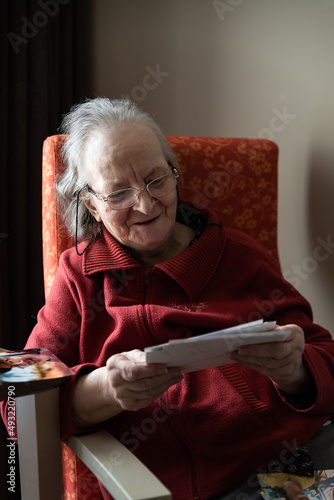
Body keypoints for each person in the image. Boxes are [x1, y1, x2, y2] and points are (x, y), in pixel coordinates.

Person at [2, 97, 334, 500]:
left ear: (175, 173)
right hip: (175, 488)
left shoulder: (237, 255)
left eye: (156, 179)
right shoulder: (78, 276)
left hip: (298, 460)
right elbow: (19, 405)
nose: (145, 203)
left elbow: (324, 359)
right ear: (91, 203)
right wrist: (108, 389)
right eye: (119, 192)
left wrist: (294, 369)